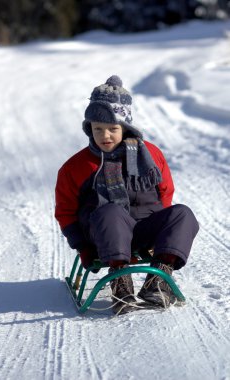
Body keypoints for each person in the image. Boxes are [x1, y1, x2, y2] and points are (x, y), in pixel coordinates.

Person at [55, 75, 199, 314]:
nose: (105, 136)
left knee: (183, 214)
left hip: (143, 228)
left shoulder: (151, 155)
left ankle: (159, 281)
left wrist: (160, 234)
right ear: (88, 128)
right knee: (110, 211)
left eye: (113, 128)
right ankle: (121, 284)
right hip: (103, 234)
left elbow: (165, 194)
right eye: (97, 129)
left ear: (126, 127)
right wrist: (83, 248)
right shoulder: (76, 167)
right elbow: (66, 211)